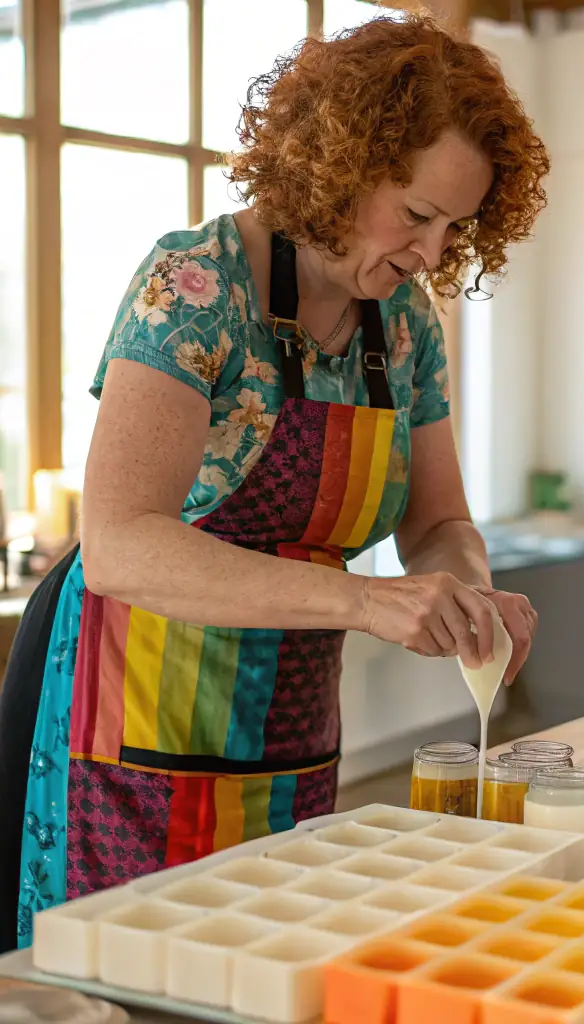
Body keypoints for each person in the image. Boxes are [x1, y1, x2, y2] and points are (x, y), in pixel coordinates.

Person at [0, 12, 550, 951]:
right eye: (417, 216)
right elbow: (122, 542)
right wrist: (367, 602)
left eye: (455, 227)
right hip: (134, 732)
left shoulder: (404, 325)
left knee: (275, 967)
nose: (432, 254)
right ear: (341, 163)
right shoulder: (194, 288)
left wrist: (467, 589)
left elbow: (437, 523)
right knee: (135, 981)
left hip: (292, 732)